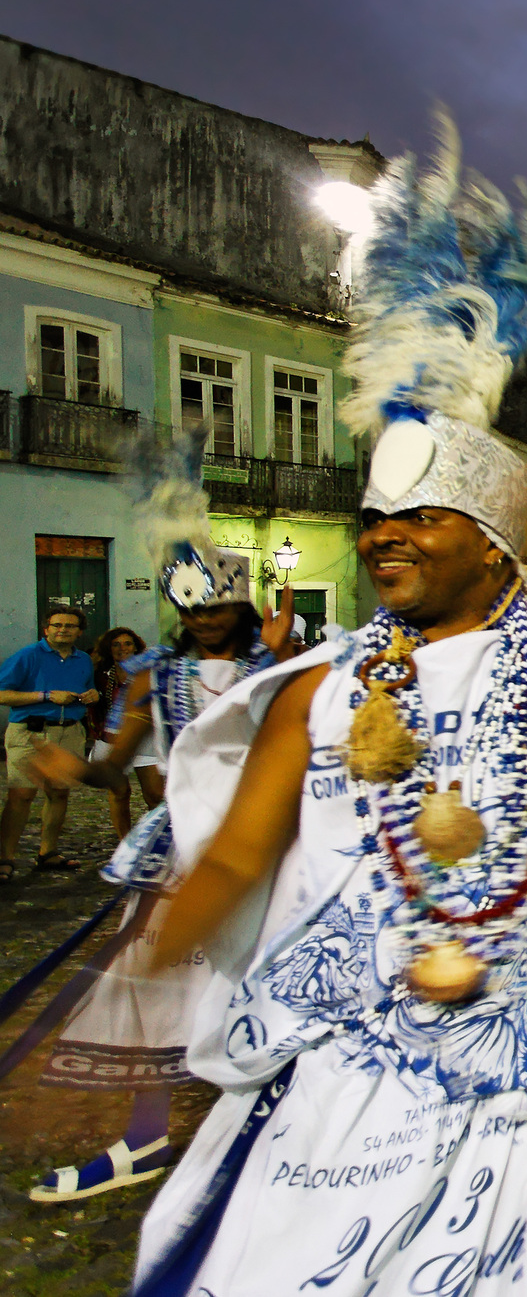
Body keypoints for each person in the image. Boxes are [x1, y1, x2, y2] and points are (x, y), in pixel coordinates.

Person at [127, 126, 527, 1295]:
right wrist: (132, 989)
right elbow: (238, 859)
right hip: (356, 1086)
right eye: (375, 521)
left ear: (490, 535)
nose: (385, 539)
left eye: (420, 518)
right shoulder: (315, 690)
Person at [22, 444, 293, 1205]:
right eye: (192, 609)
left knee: (272, 987)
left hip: (271, 853)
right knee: (156, 994)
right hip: (180, 854)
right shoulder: (152, 676)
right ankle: (144, 1136)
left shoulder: (285, 672)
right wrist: (73, 770)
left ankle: (281, 1136)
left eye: (217, 608)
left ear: (240, 607)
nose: (204, 620)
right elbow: (115, 765)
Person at [0, 606, 99, 878]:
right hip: (30, 733)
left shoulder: (83, 660)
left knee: (59, 793)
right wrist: (45, 696)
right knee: (21, 795)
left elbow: (87, 688)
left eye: (70, 626)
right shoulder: (28, 655)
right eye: (57, 625)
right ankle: (4, 857)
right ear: (46, 629)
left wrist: (93, 695)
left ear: (79, 632)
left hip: (69, 732)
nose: (63, 630)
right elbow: (2, 694)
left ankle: (48, 852)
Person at [90, 626, 166, 842]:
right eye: (115, 644)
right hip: (111, 740)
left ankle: (157, 839)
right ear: (108, 648)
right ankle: (124, 841)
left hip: (145, 739)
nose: (122, 648)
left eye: (127, 643)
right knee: (119, 793)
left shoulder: (148, 671)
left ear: (136, 647)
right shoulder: (100, 674)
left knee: (155, 795)